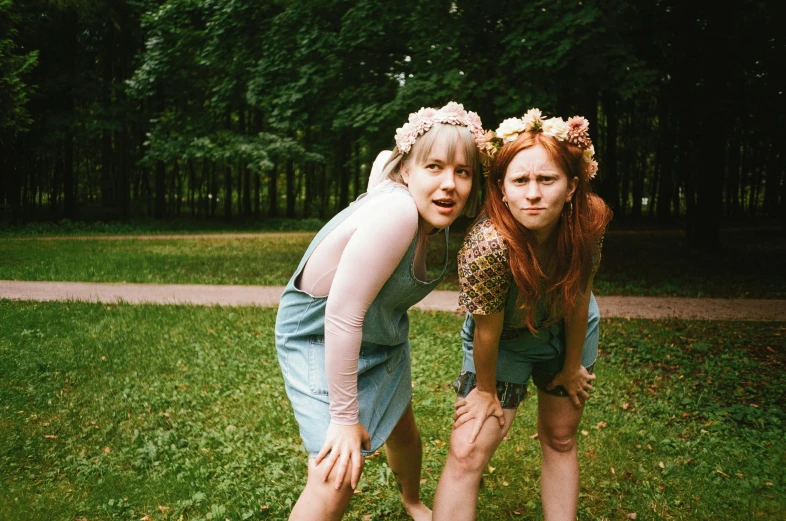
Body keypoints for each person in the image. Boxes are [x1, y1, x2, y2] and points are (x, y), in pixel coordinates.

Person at [275, 102, 488, 521]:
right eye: (435, 167)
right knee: (335, 474)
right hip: (321, 336)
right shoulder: (396, 211)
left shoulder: (415, 204)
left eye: (463, 172)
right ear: (406, 171)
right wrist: (343, 418)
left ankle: (412, 500)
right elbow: (340, 315)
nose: (449, 185)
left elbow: (378, 165)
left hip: (381, 335)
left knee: (403, 430)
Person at [432, 108, 613, 521]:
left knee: (562, 437)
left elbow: (580, 295)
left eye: (547, 179)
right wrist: (484, 393)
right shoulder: (487, 246)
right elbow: (488, 333)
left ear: (570, 187)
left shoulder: (587, 223)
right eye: (520, 181)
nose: (533, 193)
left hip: (568, 329)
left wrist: (570, 367)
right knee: (467, 449)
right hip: (503, 341)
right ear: (502, 189)